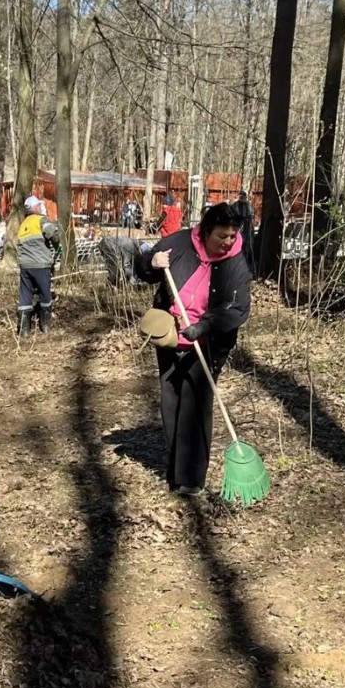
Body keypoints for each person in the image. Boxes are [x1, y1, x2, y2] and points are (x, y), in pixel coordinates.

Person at [137, 202, 251, 496]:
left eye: (231, 235)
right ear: (205, 232)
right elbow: (144, 270)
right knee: (172, 403)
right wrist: (152, 261)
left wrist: (203, 327)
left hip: (208, 342)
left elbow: (237, 308)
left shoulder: (235, 263)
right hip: (170, 337)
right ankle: (176, 470)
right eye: (221, 236)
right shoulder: (178, 244)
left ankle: (191, 478)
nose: (227, 242)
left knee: (196, 405)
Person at [17, 195, 59, 336]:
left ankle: (24, 330)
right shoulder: (41, 220)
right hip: (40, 264)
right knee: (45, 294)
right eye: (39, 205)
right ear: (35, 207)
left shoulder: (23, 225)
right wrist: (56, 245)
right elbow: (53, 235)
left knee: (25, 296)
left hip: (25, 266)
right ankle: (45, 326)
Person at [233, 190, 255, 274]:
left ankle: (244, 266)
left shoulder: (247, 206)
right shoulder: (246, 206)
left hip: (245, 228)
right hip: (242, 229)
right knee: (243, 247)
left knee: (245, 247)